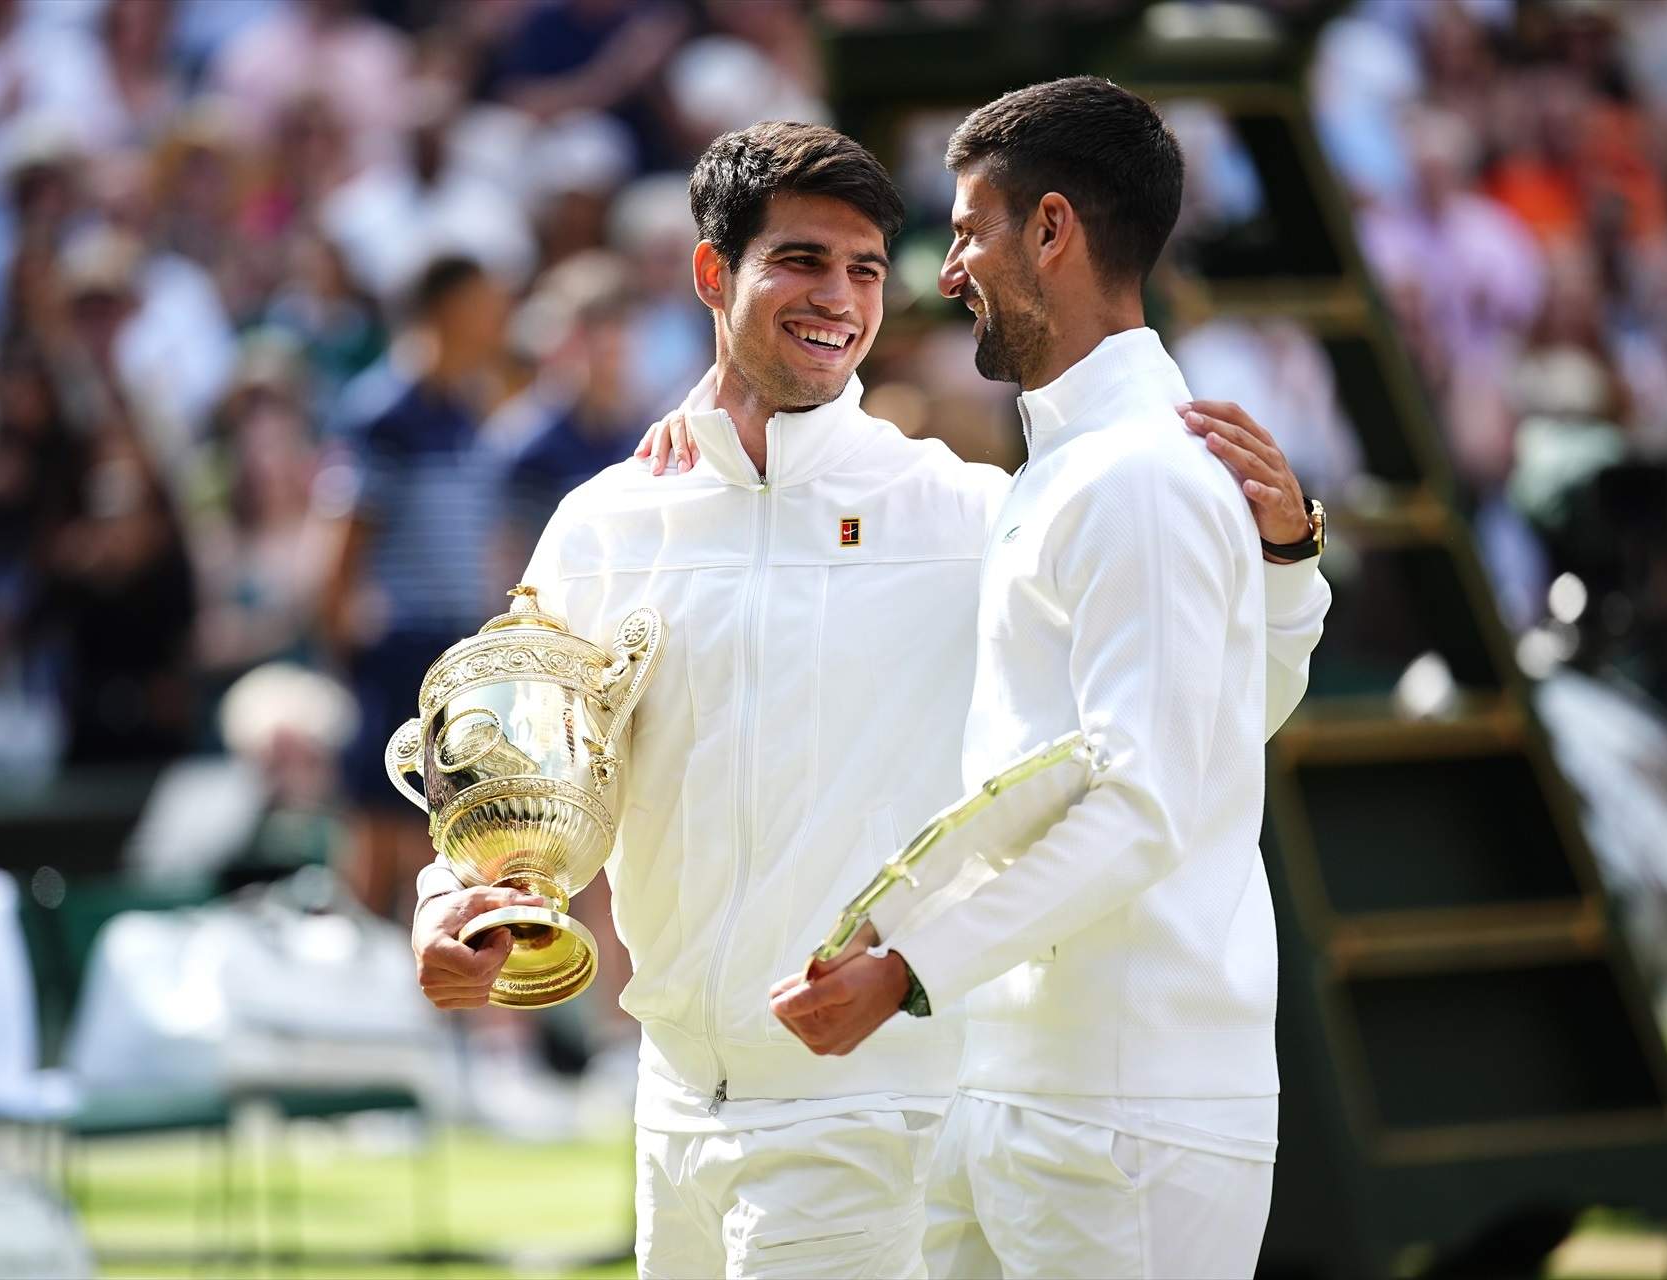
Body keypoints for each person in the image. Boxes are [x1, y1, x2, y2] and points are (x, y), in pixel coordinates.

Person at [409, 120, 1328, 1279]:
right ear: (711, 273)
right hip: (671, 1110)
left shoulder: (964, 509)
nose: (839, 298)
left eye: (863, 269)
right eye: (799, 260)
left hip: (872, 1116)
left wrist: (1287, 570)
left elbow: (1201, 726)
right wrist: (458, 899)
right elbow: (516, 776)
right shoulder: (610, 516)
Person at [769, 79, 1302, 1278]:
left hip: (1122, 1114)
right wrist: (1293, 572)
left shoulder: (1137, 477)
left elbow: (1146, 799)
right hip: (1023, 1087)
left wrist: (907, 971)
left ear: (1051, 229)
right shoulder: (1082, 466)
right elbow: (1223, 723)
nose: (946, 265)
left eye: (967, 229)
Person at [325, 254, 516, 919]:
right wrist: (351, 646)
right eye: (484, 304)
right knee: (380, 829)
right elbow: (345, 543)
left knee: (443, 833)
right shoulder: (383, 411)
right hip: (398, 646)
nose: (498, 320)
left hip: (454, 649)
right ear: (444, 310)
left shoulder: (470, 407)